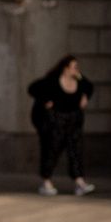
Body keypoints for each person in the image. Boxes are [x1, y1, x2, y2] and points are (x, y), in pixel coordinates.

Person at [29, 56, 95, 196]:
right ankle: (46, 181)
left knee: (75, 150)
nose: (77, 70)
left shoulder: (80, 81)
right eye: (74, 67)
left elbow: (89, 88)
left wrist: (85, 98)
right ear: (66, 69)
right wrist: (46, 101)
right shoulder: (53, 80)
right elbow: (33, 88)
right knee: (52, 149)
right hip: (56, 121)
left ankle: (79, 182)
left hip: (74, 120)